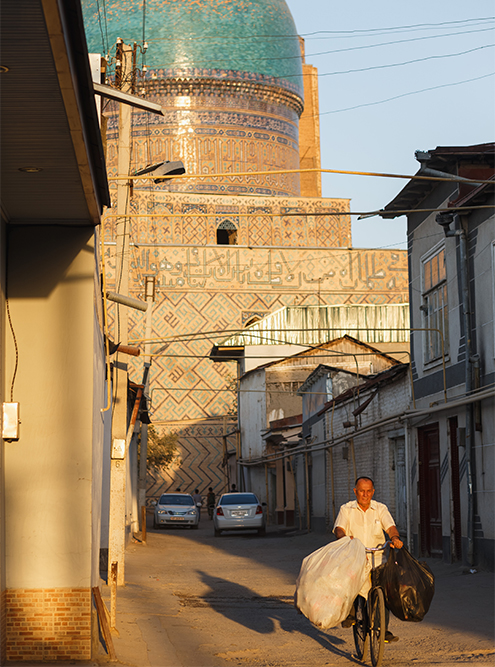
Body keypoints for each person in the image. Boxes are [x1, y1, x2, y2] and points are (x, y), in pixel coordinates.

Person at [334, 476, 403, 643]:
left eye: (368, 491)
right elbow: (339, 528)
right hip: (355, 557)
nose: (365, 494)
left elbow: (390, 527)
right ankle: (350, 612)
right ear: (355, 491)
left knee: (384, 593)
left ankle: (383, 630)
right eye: (361, 491)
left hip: (378, 558)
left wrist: (394, 538)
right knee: (351, 583)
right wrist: (344, 538)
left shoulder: (380, 508)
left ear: (373, 492)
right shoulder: (346, 509)